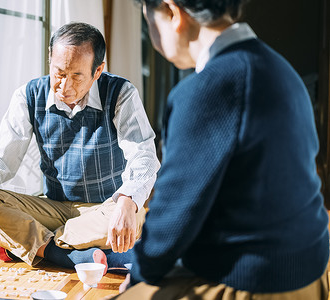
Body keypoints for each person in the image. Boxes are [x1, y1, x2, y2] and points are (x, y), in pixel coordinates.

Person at [116, 0, 330, 299]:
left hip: (257, 281)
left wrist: (139, 274)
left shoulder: (209, 87)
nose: (152, 37)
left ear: (172, 12)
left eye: (149, 23)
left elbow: (172, 219)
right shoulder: (282, 71)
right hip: (310, 270)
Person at [0, 22, 160, 271]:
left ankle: (29, 243)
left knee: (134, 217)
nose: (64, 86)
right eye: (59, 73)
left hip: (105, 209)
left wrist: (127, 200)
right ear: (50, 60)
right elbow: (1, 159)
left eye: (77, 76)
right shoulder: (28, 96)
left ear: (97, 71)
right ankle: (63, 253)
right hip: (52, 206)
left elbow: (143, 154)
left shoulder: (120, 93)